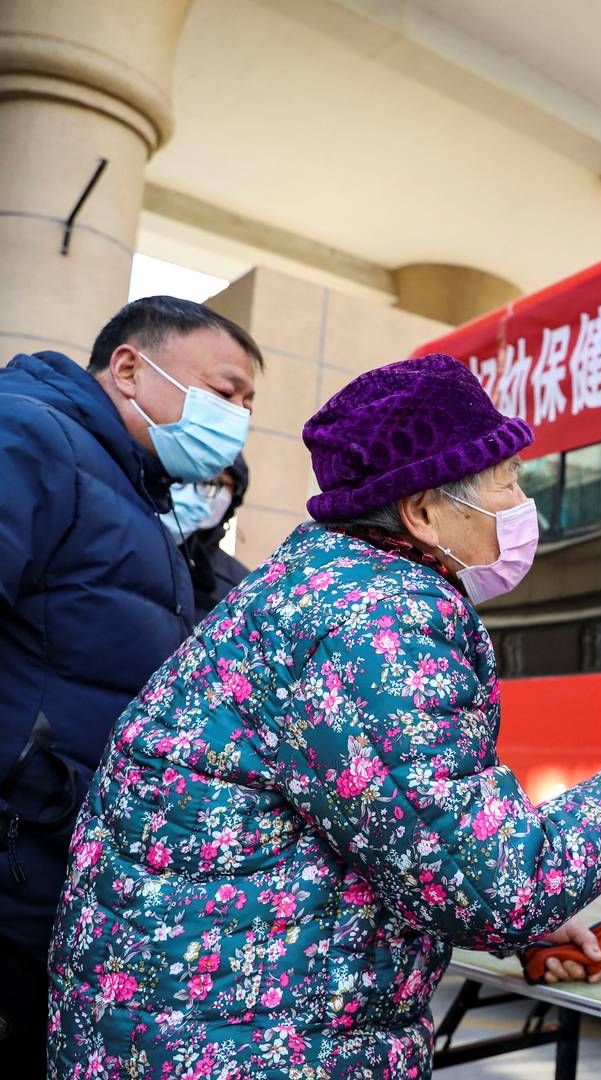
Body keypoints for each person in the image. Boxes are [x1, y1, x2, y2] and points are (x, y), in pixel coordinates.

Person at [47, 355, 601, 1076]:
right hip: (247, 1046)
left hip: (199, 1028)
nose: (526, 508)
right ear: (423, 511)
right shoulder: (376, 620)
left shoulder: (320, 588)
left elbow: (399, 837)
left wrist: (533, 924)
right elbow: (493, 886)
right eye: (509, 483)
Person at [0, 296, 261, 1070]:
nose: (239, 418)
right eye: (225, 391)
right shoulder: (31, 436)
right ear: (128, 368)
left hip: (59, 885)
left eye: (249, 404)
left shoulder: (134, 497)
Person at [172, 454, 252, 617]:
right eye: (202, 479)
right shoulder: (141, 542)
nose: (207, 491)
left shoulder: (241, 584)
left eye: (219, 483)